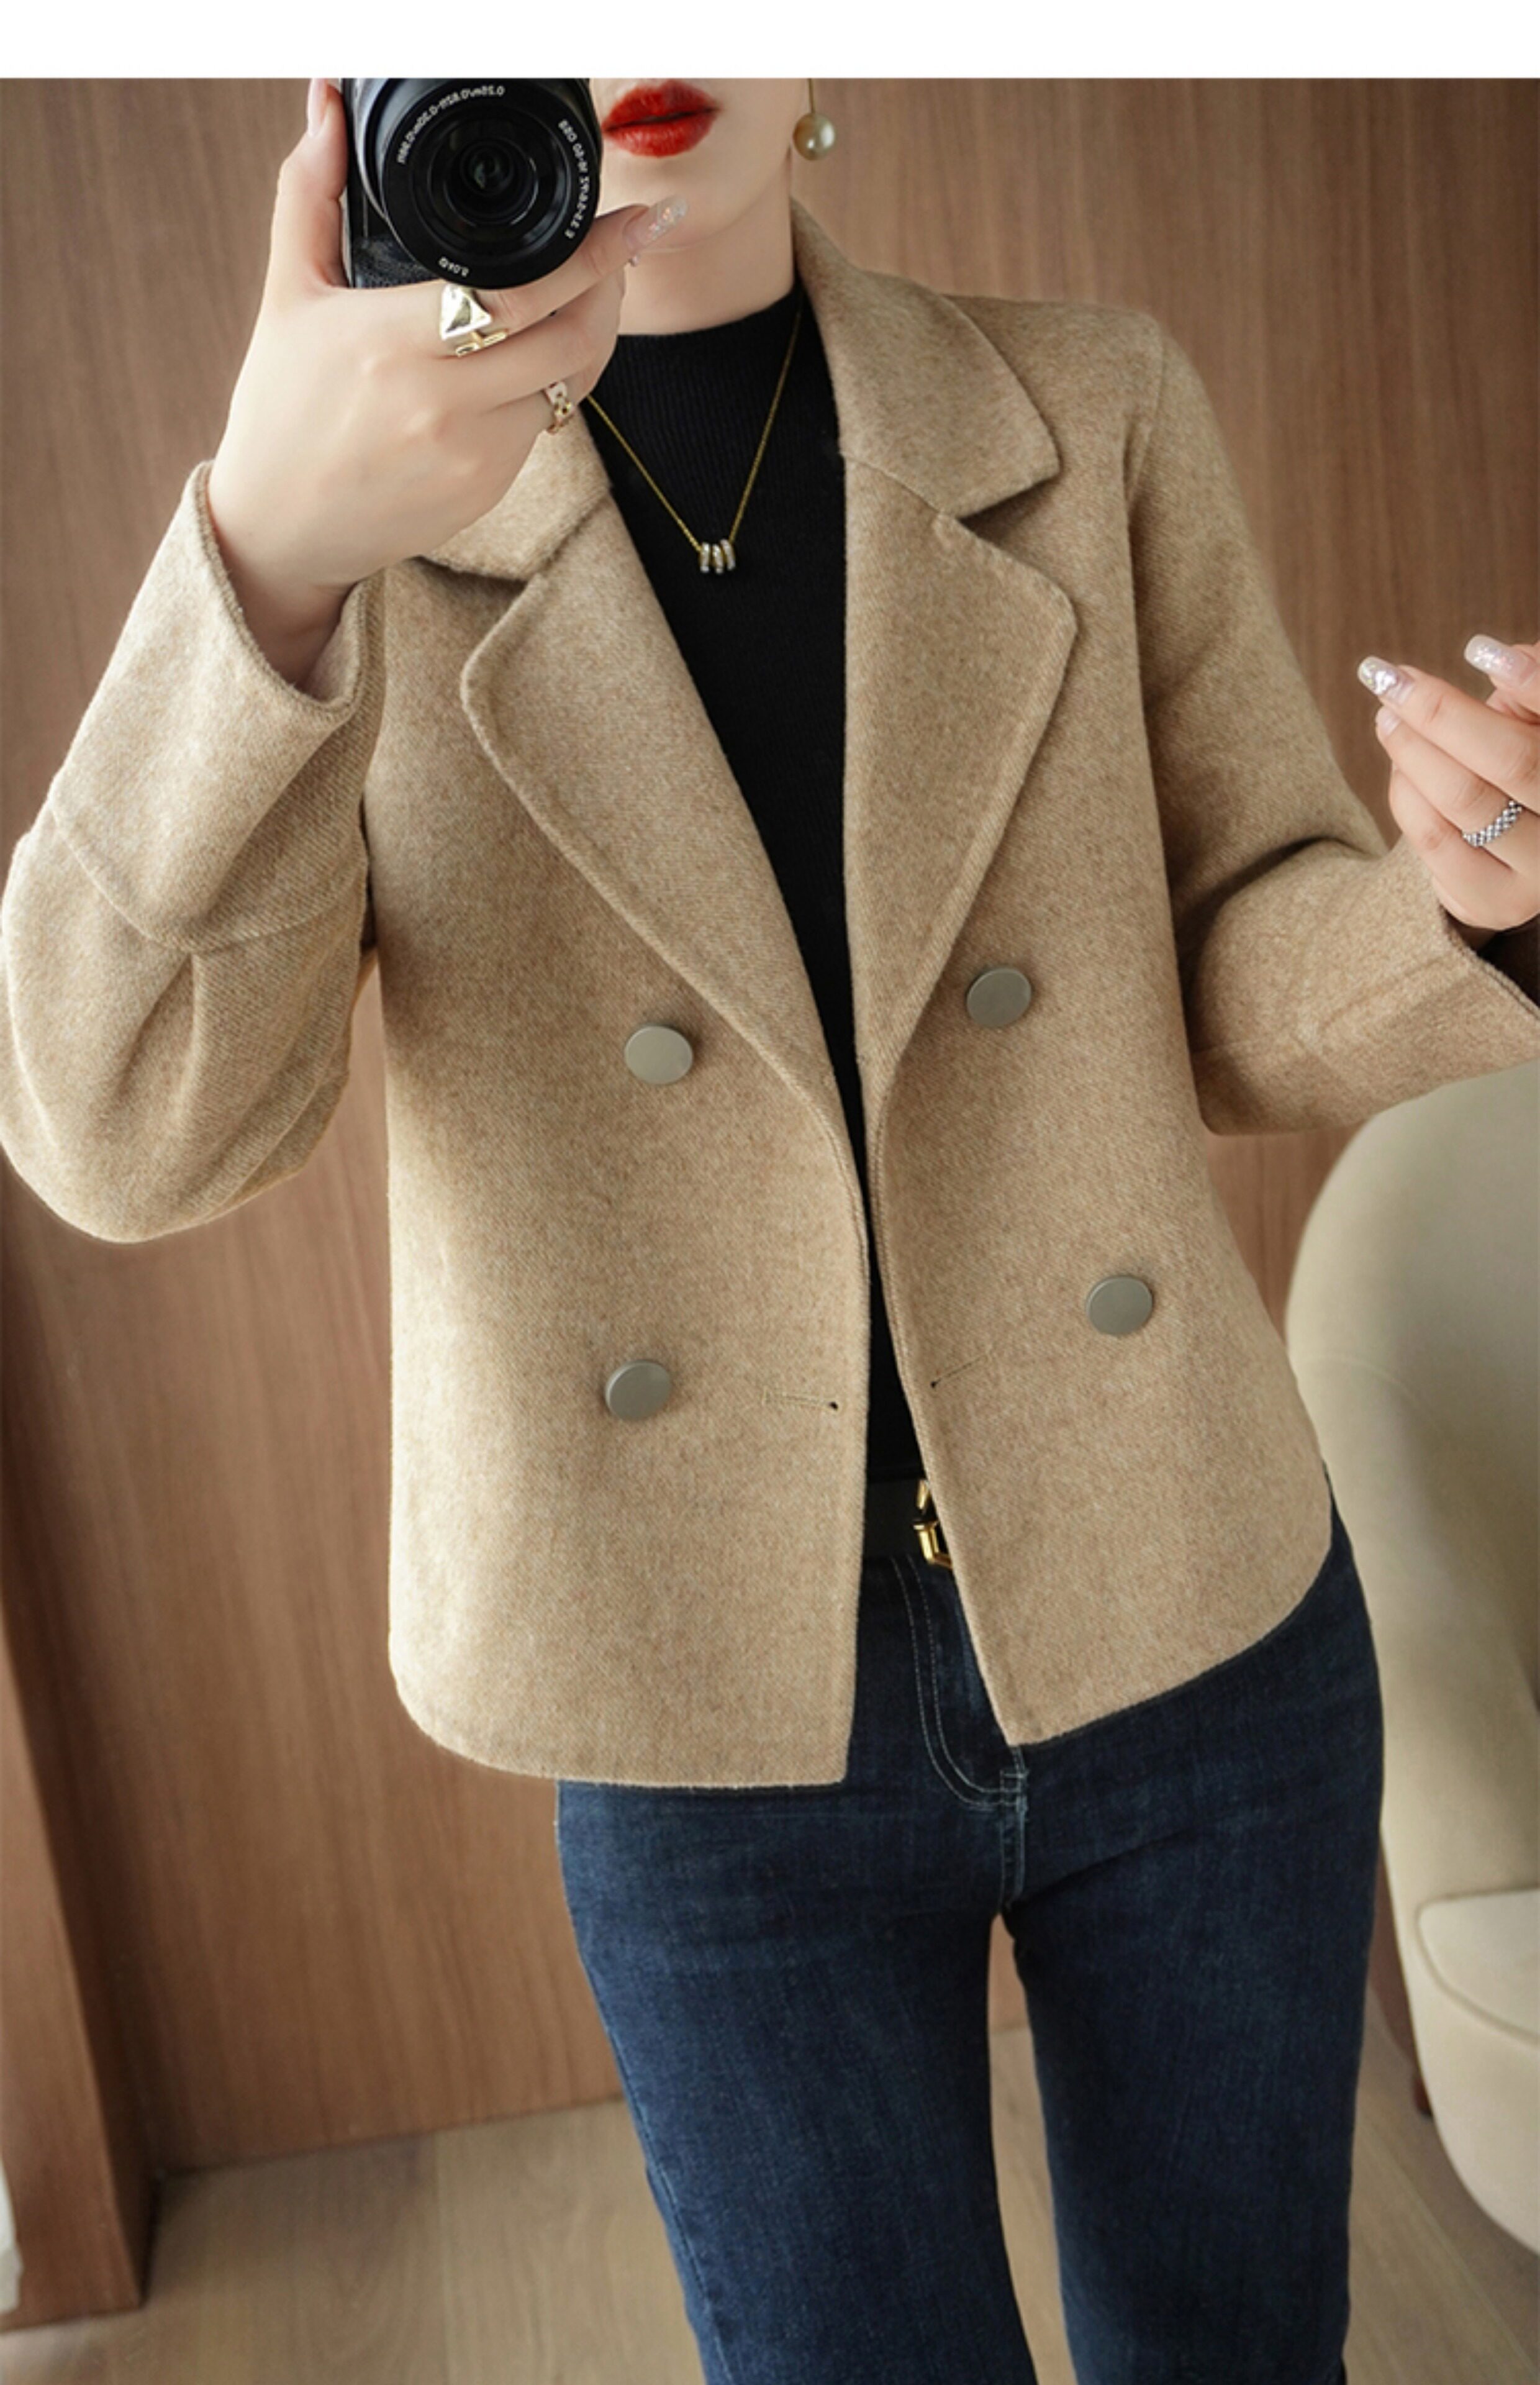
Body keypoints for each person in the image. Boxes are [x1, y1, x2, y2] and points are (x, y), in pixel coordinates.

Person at [3, 75, 1539, 2385]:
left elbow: (1232, 961)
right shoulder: (358, 524)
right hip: (705, 1700)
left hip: (1188, 1604)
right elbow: (124, 1132)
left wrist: (1471, 915)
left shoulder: (1089, 404)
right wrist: (265, 557)